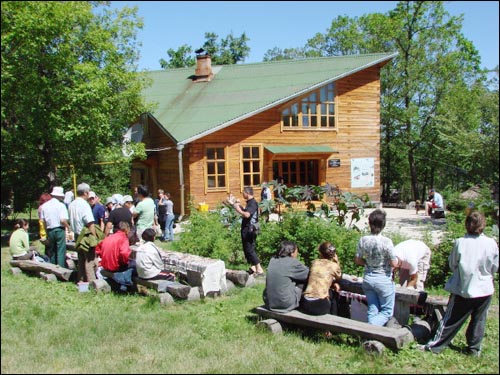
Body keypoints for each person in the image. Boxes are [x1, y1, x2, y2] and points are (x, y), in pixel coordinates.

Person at [420, 211, 498, 356]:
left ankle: (436, 345)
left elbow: (453, 264)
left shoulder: (460, 242)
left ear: (467, 224)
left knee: (451, 320)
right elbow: (494, 266)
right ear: (483, 225)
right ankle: (474, 348)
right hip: (485, 288)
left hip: (464, 287)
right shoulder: (491, 243)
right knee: (479, 320)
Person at [355, 209, 398, 326]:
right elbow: (394, 263)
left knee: (373, 309)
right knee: (387, 312)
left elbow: (358, 260)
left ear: (370, 223)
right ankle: (369, 329)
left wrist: (368, 263)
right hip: (383, 279)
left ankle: (370, 337)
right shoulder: (386, 241)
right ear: (383, 224)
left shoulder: (363, 240)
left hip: (368, 278)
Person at [263, 240, 309, 312]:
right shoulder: (293, 262)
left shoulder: (272, 260)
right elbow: (309, 274)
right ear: (292, 253)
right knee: (302, 282)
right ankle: (305, 306)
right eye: (297, 251)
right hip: (285, 304)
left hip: (268, 302)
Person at [228, 187, 264, 275]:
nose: (242, 194)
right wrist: (234, 204)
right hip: (247, 229)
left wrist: (238, 209)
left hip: (250, 230)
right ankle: (253, 267)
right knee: (247, 249)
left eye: (243, 193)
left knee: (250, 249)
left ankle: (259, 269)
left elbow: (247, 215)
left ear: (247, 193)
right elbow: (245, 211)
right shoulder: (250, 203)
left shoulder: (253, 203)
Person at [301, 241, 343, 316]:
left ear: (320, 253)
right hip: (319, 305)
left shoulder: (314, 262)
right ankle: (333, 321)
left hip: (306, 302)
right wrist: (337, 262)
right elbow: (339, 277)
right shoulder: (333, 266)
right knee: (334, 294)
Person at [69, 183, 97, 282]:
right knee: (90, 260)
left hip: (77, 235)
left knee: (81, 259)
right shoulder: (84, 205)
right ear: (85, 193)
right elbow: (90, 223)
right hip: (85, 235)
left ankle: (81, 281)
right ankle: (91, 282)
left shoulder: (72, 204)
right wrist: (94, 237)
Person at [40, 186, 71, 267]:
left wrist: (46, 232)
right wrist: (68, 227)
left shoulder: (44, 206)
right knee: (60, 251)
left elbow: (43, 221)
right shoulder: (61, 205)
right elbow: (63, 220)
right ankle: (61, 268)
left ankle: (52, 267)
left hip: (50, 230)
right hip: (59, 229)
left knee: (52, 250)